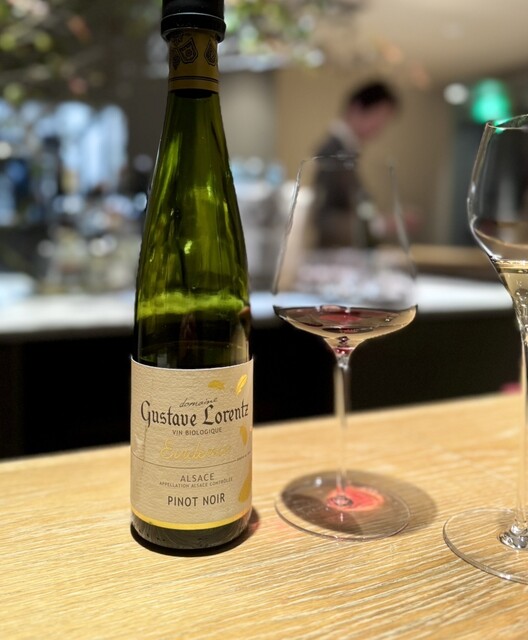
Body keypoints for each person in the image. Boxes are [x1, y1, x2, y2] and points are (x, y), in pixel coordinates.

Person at [311, 80, 401, 248]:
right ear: (356, 108)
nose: (380, 128)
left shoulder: (346, 149)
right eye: (378, 118)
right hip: (333, 255)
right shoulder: (333, 150)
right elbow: (322, 218)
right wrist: (380, 225)